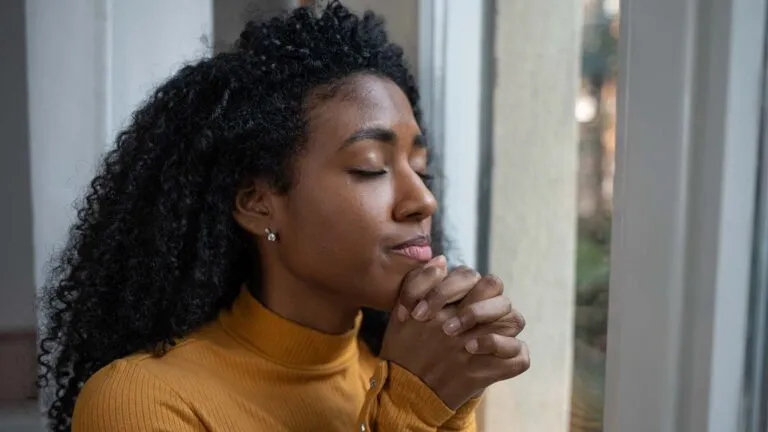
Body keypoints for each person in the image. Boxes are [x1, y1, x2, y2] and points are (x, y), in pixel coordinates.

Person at [37, 2, 530, 431]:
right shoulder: (142, 399)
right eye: (370, 168)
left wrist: (444, 397)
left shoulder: (403, 368)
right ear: (256, 202)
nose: (423, 200)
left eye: (420, 170)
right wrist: (411, 410)